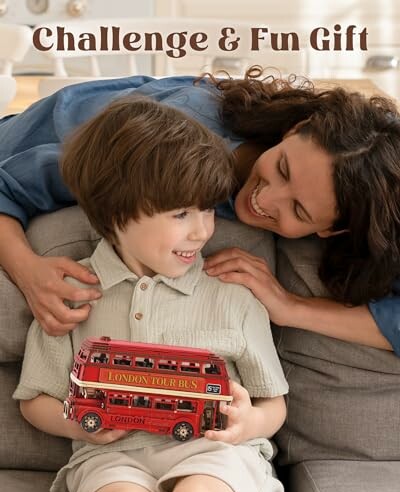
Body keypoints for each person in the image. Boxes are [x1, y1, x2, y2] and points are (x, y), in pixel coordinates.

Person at [1, 67, 400, 353]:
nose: (266, 199)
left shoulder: (360, 203)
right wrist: (28, 270)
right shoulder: (162, 153)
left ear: (332, 230)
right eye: (281, 167)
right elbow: (7, 181)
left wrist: (290, 307)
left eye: (299, 209)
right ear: (294, 129)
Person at [13, 96, 288, 492]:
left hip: (215, 452)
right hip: (111, 458)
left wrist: (248, 422)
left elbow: (273, 403)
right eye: (181, 215)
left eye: (207, 210)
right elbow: (34, 399)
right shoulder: (69, 297)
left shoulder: (233, 297)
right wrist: (79, 423)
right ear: (115, 212)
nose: (202, 231)